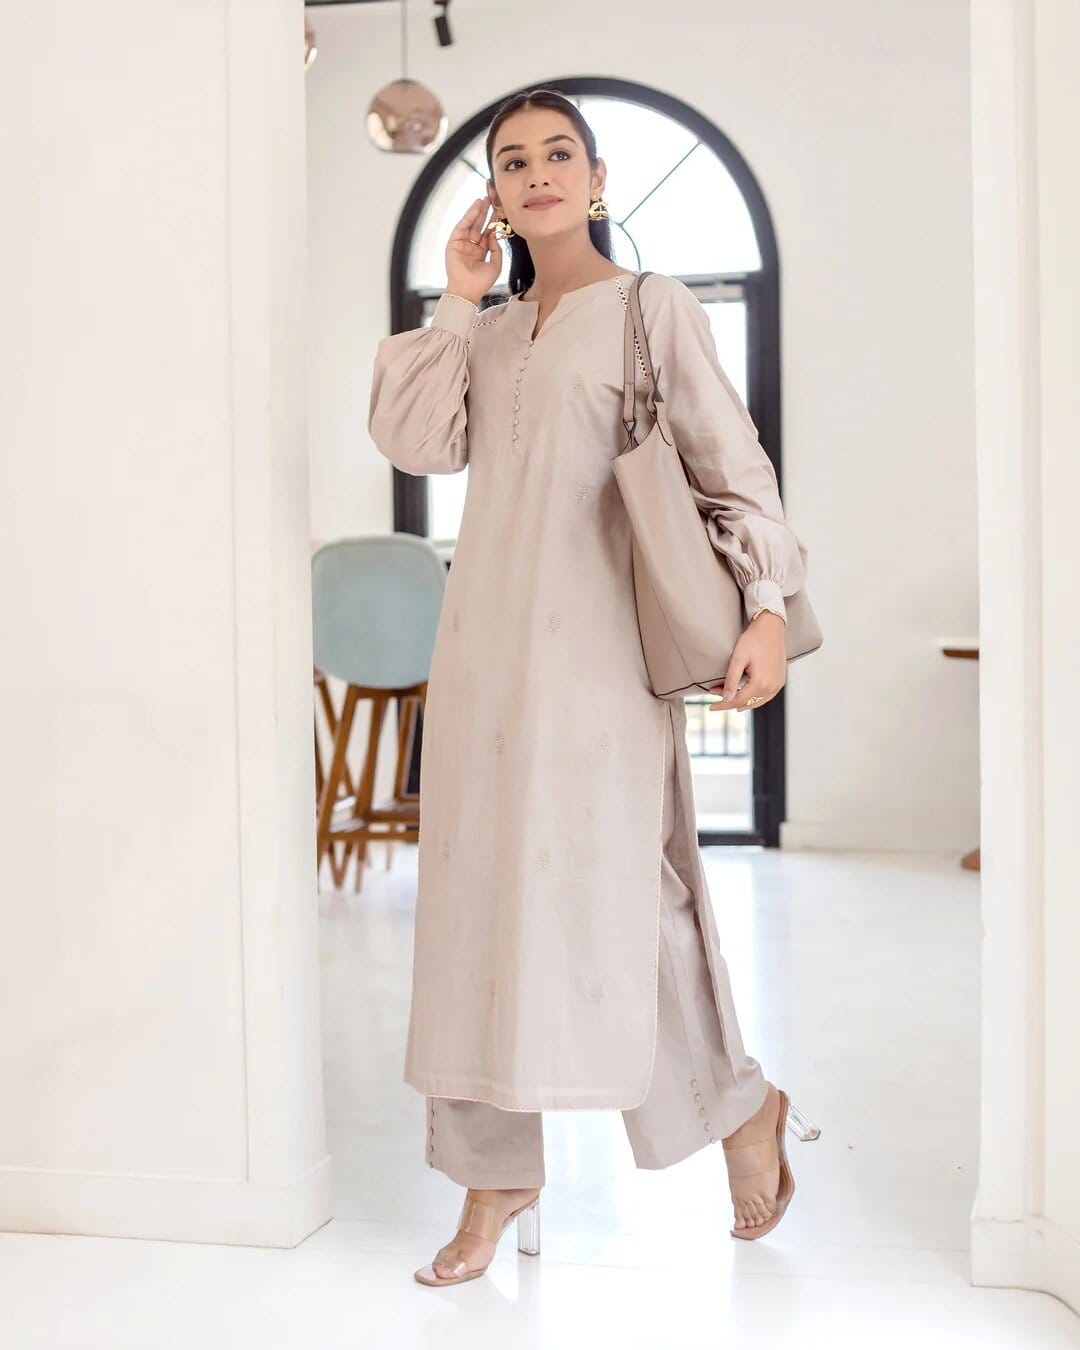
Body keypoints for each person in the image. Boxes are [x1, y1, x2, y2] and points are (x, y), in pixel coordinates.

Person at [368, 88, 819, 1288]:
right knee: (473, 909)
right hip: (483, 660)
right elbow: (416, 441)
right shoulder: (489, 333)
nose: (538, 174)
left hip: (603, 661)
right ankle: (492, 1175)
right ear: (496, 195)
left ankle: (741, 1108)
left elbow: (732, 466)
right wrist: (456, 299)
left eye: (559, 153)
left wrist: (767, 608)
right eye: (513, 161)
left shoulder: (651, 310)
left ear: (598, 177)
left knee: (633, 900)